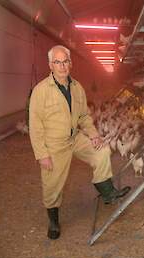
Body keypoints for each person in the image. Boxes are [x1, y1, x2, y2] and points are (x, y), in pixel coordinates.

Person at [29, 45, 130, 240]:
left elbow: (84, 116)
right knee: (52, 186)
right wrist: (42, 154)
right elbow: (34, 125)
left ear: (71, 63)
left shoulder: (77, 87)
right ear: (50, 65)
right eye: (57, 62)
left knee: (101, 151)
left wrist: (93, 134)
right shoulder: (41, 91)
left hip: (75, 138)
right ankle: (53, 221)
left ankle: (107, 192)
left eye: (65, 61)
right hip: (54, 144)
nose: (62, 66)